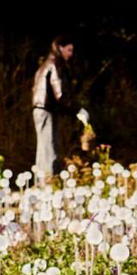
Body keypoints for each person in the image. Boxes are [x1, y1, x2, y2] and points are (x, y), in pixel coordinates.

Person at [31, 36, 89, 179]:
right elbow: (60, 93)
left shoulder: (46, 64)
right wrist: (77, 110)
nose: (71, 54)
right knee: (49, 148)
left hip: (41, 109)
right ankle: (50, 183)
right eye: (69, 50)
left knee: (43, 148)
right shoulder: (55, 64)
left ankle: (42, 182)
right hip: (46, 110)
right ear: (60, 48)